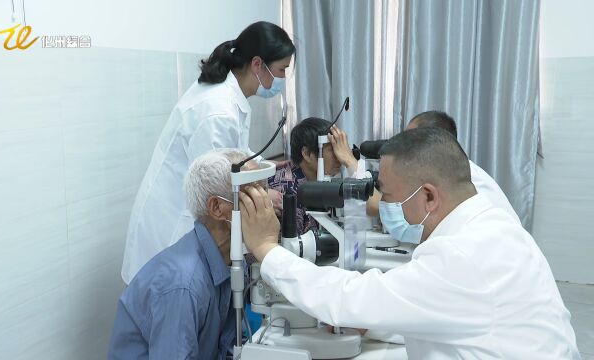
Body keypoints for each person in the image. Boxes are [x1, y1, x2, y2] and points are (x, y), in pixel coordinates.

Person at [239, 128, 580, 359]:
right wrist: (374, 322)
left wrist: (268, 250)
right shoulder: (494, 225)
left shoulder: (462, 257)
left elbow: (348, 298)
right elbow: (444, 317)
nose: (382, 202)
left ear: (429, 196)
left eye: (386, 193)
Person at [121, 21, 295, 284]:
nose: (282, 80)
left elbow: (236, 153)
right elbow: (216, 184)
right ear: (258, 64)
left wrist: (273, 170)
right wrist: (265, 195)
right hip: (171, 230)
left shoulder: (229, 98)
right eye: (282, 70)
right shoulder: (217, 110)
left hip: (187, 223)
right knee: (169, 306)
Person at [108, 149, 254, 360]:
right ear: (217, 207)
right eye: (251, 197)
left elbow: (230, 347)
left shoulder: (230, 263)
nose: (265, 208)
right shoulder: (183, 285)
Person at [367, 111, 521, 224]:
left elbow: (387, 209)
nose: (403, 146)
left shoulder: (464, 181)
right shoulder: (456, 169)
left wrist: (350, 161)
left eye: (410, 140)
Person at [268, 117, 366, 234]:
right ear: (307, 154)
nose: (340, 156)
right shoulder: (286, 191)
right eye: (332, 149)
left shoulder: (320, 180)